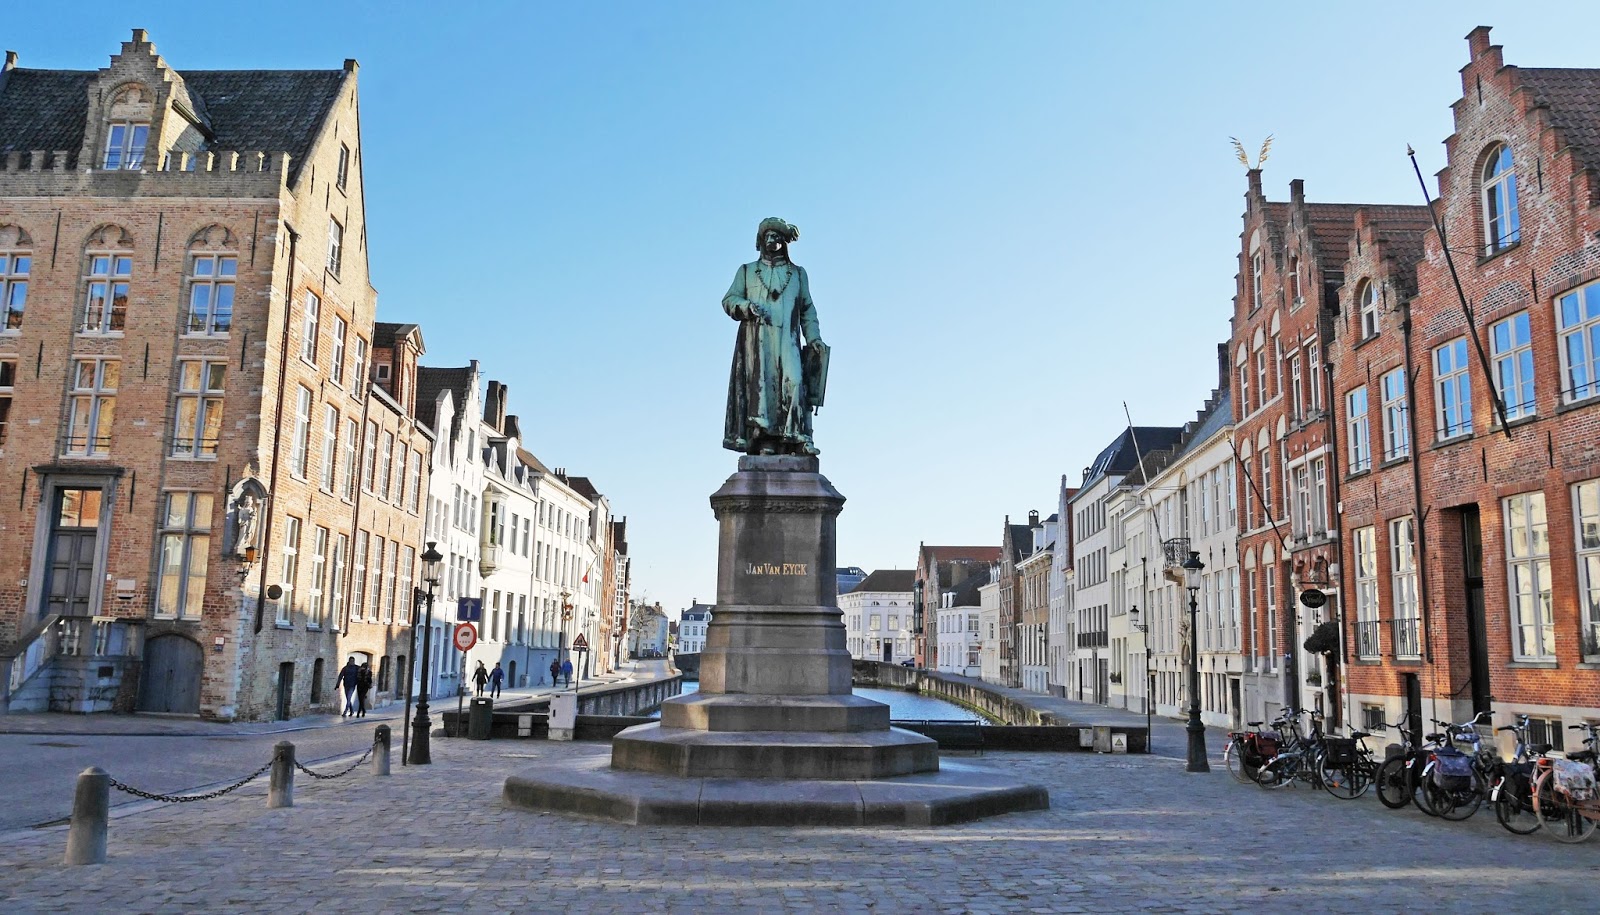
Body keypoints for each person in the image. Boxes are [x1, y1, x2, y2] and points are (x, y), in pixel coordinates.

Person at [722, 217, 827, 456]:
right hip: (759, 340)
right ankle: (765, 439)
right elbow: (729, 300)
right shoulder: (747, 271)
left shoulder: (797, 274)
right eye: (767, 236)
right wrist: (746, 307)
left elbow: (807, 308)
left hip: (788, 339)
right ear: (761, 241)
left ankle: (797, 437)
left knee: (795, 381)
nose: (771, 240)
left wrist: (814, 338)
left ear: (784, 241)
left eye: (776, 236)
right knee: (763, 389)